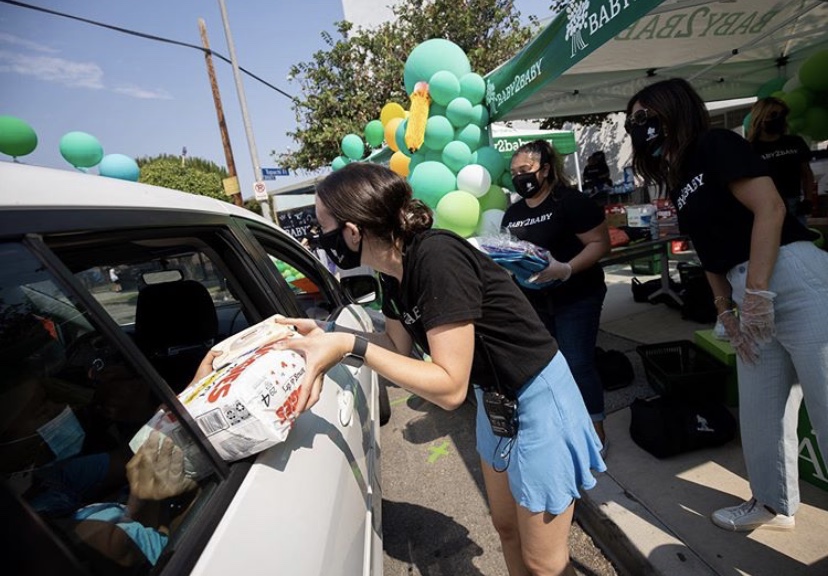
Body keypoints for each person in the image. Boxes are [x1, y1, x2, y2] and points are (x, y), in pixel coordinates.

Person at [275, 162, 605, 575]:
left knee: (545, 563)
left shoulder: (436, 257)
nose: (319, 239)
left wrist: (349, 345)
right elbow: (397, 347)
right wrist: (328, 332)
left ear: (353, 231)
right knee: (506, 528)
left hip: (537, 396)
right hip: (496, 401)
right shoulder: (391, 273)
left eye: (323, 227)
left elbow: (450, 388)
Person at [625, 77, 828, 532]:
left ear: (673, 108)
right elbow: (706, 248)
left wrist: (757, 292)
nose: (637, 128)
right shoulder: (678, 178)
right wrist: (726, 311)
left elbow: (771, 209)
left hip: (792, 278)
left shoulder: (715, 144)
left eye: (644, 117)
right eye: (631, 122)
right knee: (760, 413)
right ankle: (772, 506)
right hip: (747, 290)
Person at [502, 139, 611, 452]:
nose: (519, 177)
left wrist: (565, 269)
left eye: (525, 170)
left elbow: (600, 244)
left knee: (578, 363)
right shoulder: (514, 213)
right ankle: (567, 425)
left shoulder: (570, 202)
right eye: (514, 172)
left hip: (577, 296)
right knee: (551, 366)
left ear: (546, 169)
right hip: (535, 301)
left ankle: (596, 434)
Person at [746, 97, 817, 225]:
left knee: (800, 242)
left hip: (794, 204)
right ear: (760, 118)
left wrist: (808, 199)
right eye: (773, 115)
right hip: (766, 206)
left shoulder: (795, 142)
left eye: (782, 114)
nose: (779, 119)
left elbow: (806, 173)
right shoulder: (749, 149)